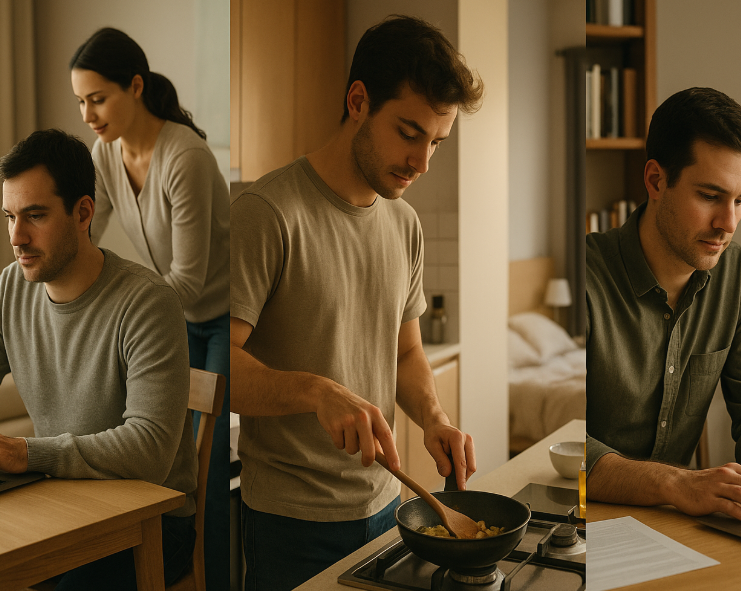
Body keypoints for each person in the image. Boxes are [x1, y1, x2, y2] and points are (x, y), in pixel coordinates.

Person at [230, 15, 483, 588]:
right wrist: (315, 391)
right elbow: (218, 366)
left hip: (390, 506)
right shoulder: (268, 213)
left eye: (436, 143)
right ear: (359, 101)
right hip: (291, 522)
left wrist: (435, 419)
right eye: (409, 133)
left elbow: (407, 351)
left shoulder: (404, 222)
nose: (421, 163)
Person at [586, 87, 741, 525]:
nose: (728, 224)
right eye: (711, 196)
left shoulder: (737, 275)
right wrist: (675, 483)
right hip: (587, 520)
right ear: (656, 181)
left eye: (740, 201)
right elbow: (567, 446)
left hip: (676, 523)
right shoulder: (587, 274)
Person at [0, 129, 197, 589]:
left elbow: (149, 449)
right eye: (9, 216)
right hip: (61, 501)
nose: (16, 236)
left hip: (152, 521)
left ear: (83, 212)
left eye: (35, 216)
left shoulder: (148, 303)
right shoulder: (11, 287)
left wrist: (28, 453)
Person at [70, 27, 230, 589]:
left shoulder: (184, 156)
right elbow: (88, 235)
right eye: (81, 102)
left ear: (135, 87)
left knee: (206, 476)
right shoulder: (104, 153)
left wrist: (123, 312)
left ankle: (207, 575)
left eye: (98, 98)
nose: (88, 114)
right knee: (163, 459)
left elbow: (187, 279)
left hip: (224, 318)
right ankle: (161, 566)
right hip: (177, 314)